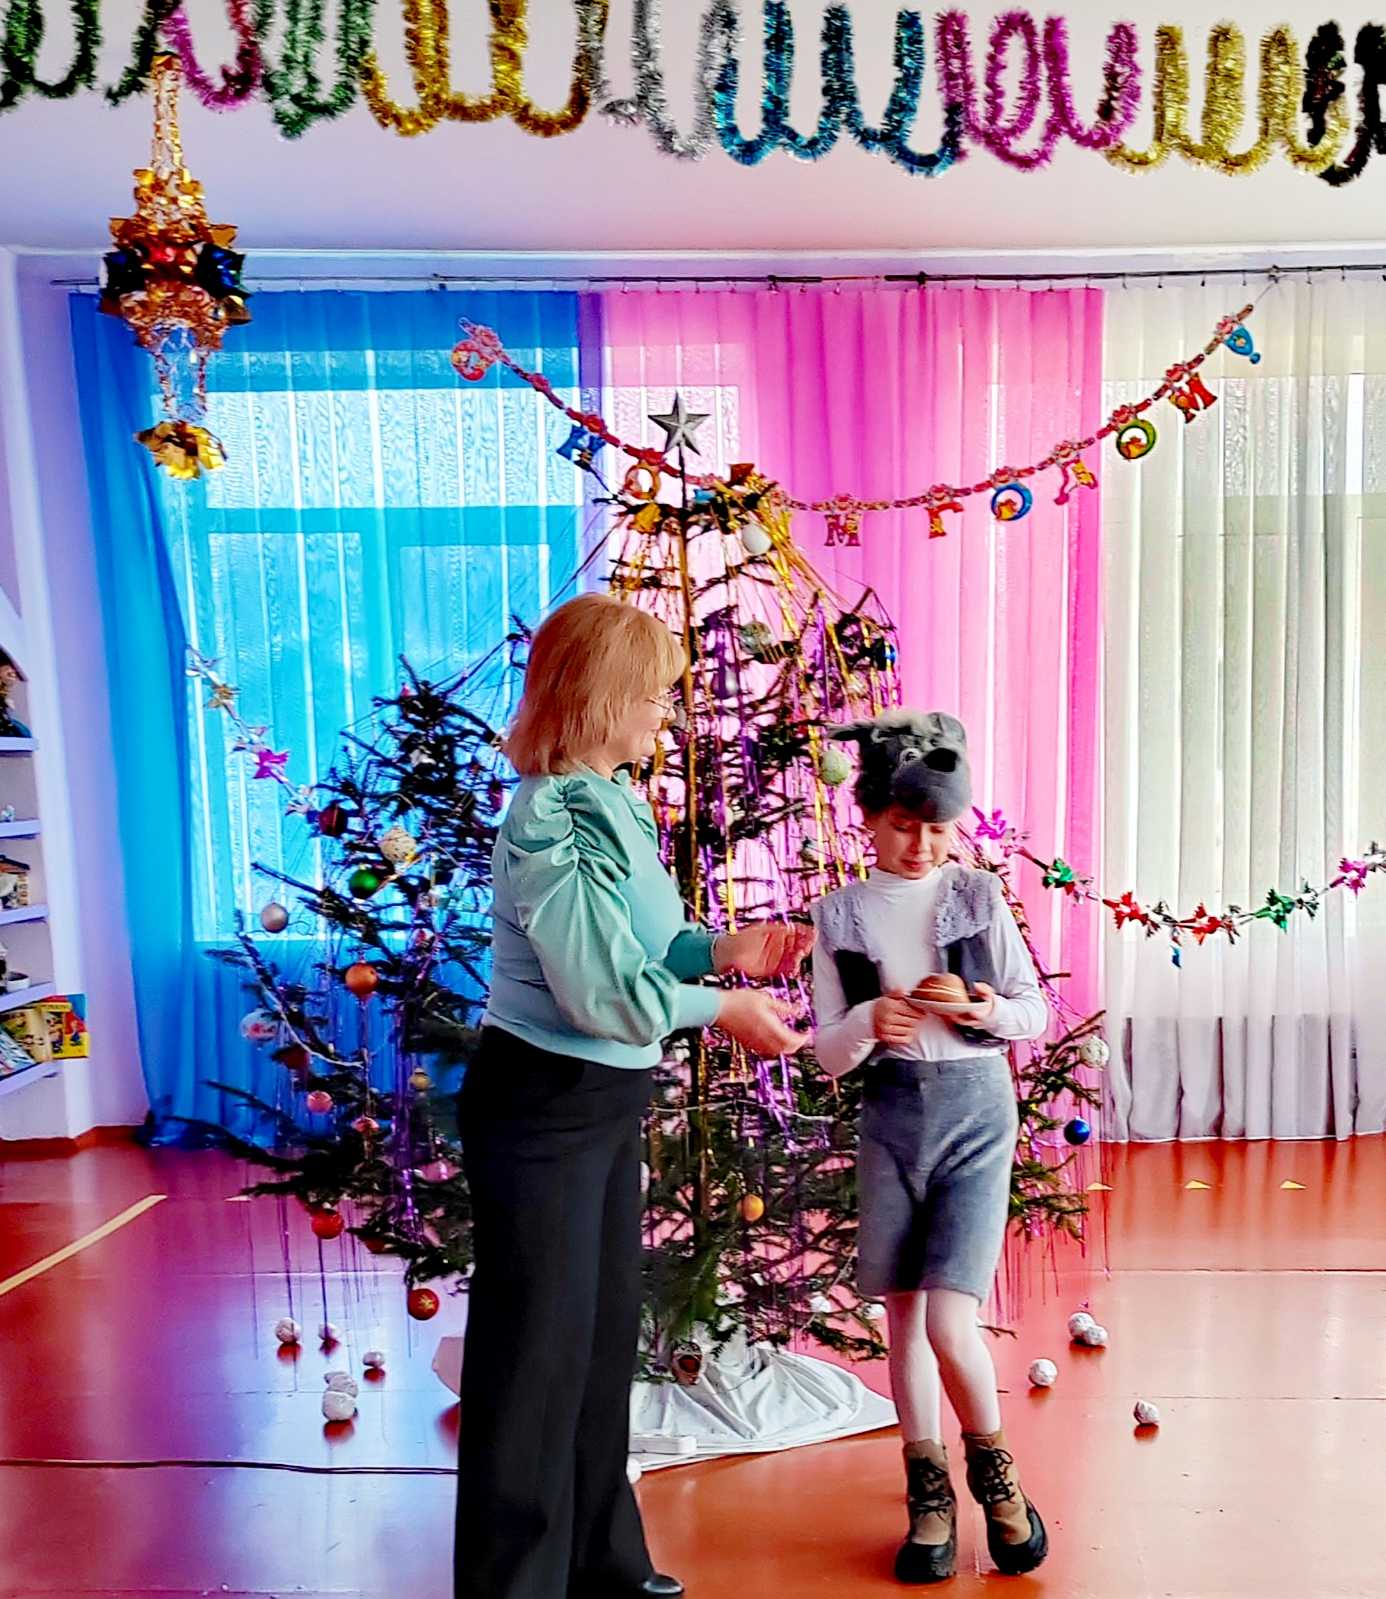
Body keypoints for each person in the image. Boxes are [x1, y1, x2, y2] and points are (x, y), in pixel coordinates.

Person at [457, 592, 813, 1599]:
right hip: (543, 1102)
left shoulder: (610, 798)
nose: (664, 712)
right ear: (601, 696)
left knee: (600, 1339)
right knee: (536, 1358)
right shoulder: (550, 813)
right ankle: (516, 1584)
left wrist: (726, 950)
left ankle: (600, 1562)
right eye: (652, 693)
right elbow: (605, 994)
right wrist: (722, 1009)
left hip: (602, 1103)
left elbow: (643, 948)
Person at [810, 710, 1049, 1585]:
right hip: (892, 1116)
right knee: (904, 1318)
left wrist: (980, 1005)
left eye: (939, 828)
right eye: (905, 825)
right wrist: (871, 1021)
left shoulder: (978, 896)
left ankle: (998, 1478)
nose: (922, 845)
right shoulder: (839, 915)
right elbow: (828, 1051)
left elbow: (1032, 1009)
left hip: (978, 1113)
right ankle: (928, 1492)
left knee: (951, 1318)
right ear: (871, 818)